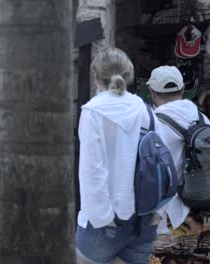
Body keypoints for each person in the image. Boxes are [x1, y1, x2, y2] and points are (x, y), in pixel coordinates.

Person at [76, 48, 161, 264]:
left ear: (97, 77)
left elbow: (92, 172)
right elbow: (160, 164)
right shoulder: (146, 110)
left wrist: (106, 219)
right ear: (129, 75)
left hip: (104, 223)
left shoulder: (93, 112)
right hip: (143, 220)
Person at [147, 66, 210, 234]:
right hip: (202, 208)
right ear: (183, 89)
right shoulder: (202, 119)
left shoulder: (151, 126)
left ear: (152, 92)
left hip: (168, 215)